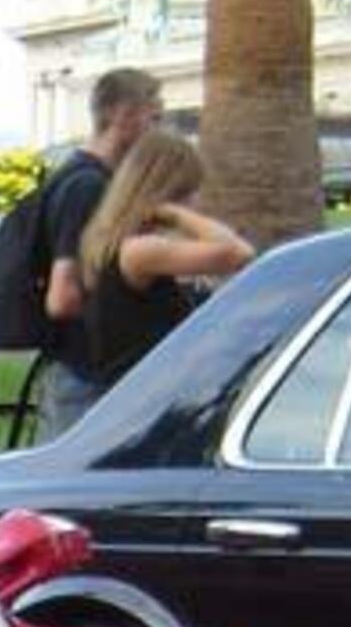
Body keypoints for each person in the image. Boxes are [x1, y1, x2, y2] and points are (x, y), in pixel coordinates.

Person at [33, 67, 162, 440]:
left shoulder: (76, 178)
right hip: (87, 379)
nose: (159, 132)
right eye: (155, 117)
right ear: (124, 117)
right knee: (73, 493)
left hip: (89, 375)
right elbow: (62, 297)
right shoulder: (88, 189)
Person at [75, 130, 256, 390]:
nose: (195, 202)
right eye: (189, 192)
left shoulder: (109, 241)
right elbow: (238, 252)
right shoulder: (140, 250)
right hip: (145, 392)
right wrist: (177, 215)